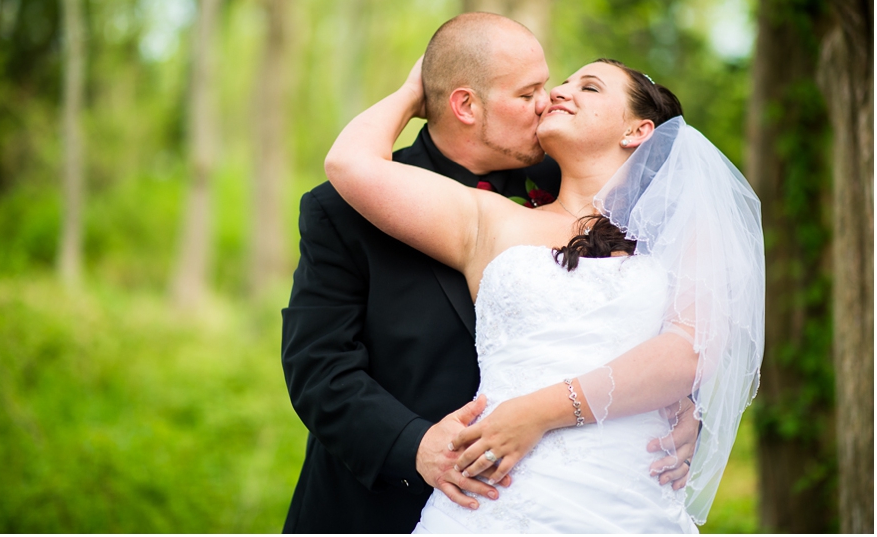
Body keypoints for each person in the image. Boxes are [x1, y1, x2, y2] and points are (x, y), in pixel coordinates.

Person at [324, 28, 764, 530]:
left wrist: (539, 412)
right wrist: (416, 90)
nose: (559, 92)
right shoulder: (489, 220)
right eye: (563, 83)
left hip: (625, 500)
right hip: (494, 495)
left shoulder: (685, 230)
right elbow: (348, 163)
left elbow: (690, 350)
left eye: (589, 87)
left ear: (638, 130)